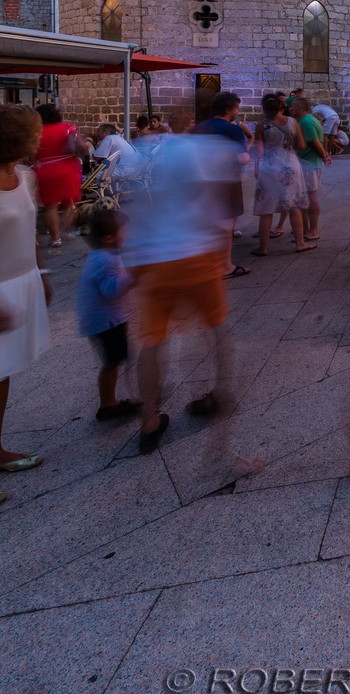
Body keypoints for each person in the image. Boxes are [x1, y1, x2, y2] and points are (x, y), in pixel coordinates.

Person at [124, 129, 234, 453]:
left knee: (153, 340)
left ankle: (149, 419)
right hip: (193, 251)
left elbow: (133, 205)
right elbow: (202, 191)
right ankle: (220, 392)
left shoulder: (142, 151)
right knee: (217, 327)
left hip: (153, 255)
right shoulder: (194, 148)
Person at [0, 105, 50, 490]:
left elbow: (31, 230)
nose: (39, 140)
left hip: (21, 280)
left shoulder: (25, 175)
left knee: (3, 372)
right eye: (34, 134)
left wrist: (42, 273)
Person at [76, 206, 139, 421]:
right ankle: (108, 405)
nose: (127, 235)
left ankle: (109, 402)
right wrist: (135, 277)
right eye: (124, 231)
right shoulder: (105, 260)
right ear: (109, 238)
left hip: (105, 319)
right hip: (106, 322)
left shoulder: (103, 255)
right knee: (112, 362)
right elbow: (111, 290)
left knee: (114, 360)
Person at [192, 91, 251, 278]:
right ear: (228, 109)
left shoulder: (201, 127)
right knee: (226, 223)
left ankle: (206, 262)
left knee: (207, 222)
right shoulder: (233, 130)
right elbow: (243, 158)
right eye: (236, 107)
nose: (237, 111)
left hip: (202, 179)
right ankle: (225, 265)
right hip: (226, 181)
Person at [252, 94, 311, 254]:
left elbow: (259, 152)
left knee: (266, 208)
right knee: (294, 205)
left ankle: (263, 247)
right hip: (290, 166)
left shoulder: (261, 126)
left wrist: (256, 168)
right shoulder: (292, 122)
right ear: (281, 106)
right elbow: (301, 145)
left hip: (269, 168)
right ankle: (300, 243)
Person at [34, 102, 89, 249]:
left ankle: (55, 238)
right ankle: (63, 230)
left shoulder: (36, 132)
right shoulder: (68, 128)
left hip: (45, 170)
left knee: (50, 207)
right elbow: (83, 147)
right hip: (68, 169)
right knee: (70, 204)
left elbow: (31, 155)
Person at [295, 98, 331, 239]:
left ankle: (313, 230)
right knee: (305, 197)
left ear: (301, 108)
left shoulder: (306, 122)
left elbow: (314, 141)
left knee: (311, 197)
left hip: (309, 163)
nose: (290, 108)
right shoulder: (308, 120)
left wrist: (324, 156)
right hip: (309, 162)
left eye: (293, 106)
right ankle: (305, 229)